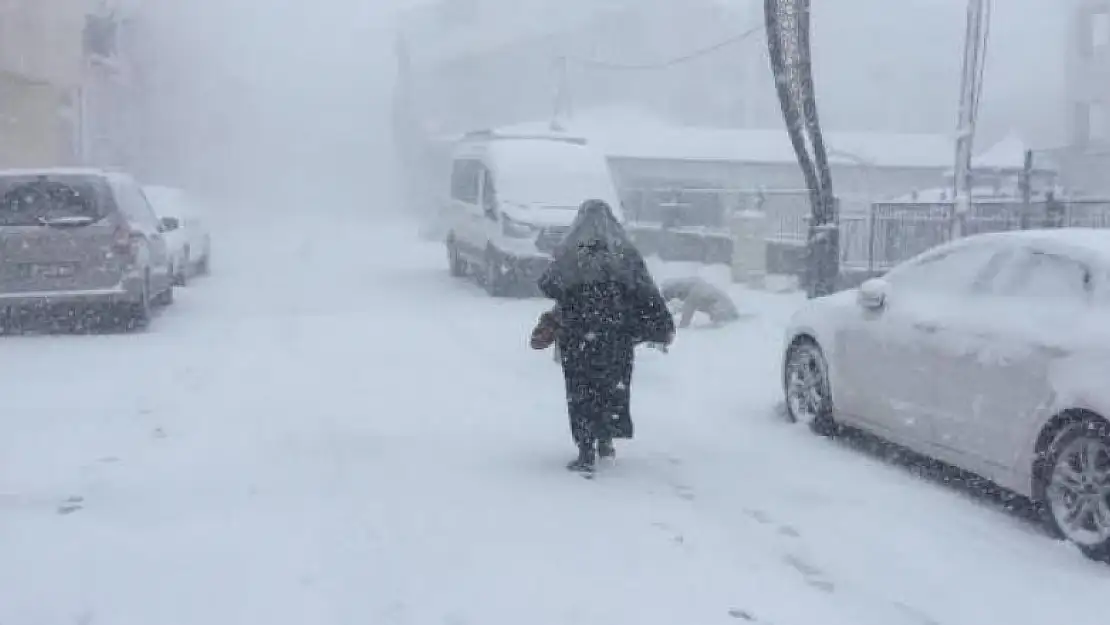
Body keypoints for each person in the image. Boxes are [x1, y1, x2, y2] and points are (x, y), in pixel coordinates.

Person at [536, 199, 675, 472]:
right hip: (616, 336)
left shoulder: (569, 251)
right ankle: (606, 440)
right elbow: (645, 290)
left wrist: (576, 294)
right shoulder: (625, 253)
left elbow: (548, 284)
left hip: (578, 336)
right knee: (610, 388)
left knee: (581, 392)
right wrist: (661, 324)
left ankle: (585, 450)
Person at [660, 276, 741, 329]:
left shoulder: (695, 292)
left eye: (671, 295)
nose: (674, 297)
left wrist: (681, 328)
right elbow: (682, 308)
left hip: (725, 313)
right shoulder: (697, 287)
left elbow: (687, 315)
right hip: (727, 312)